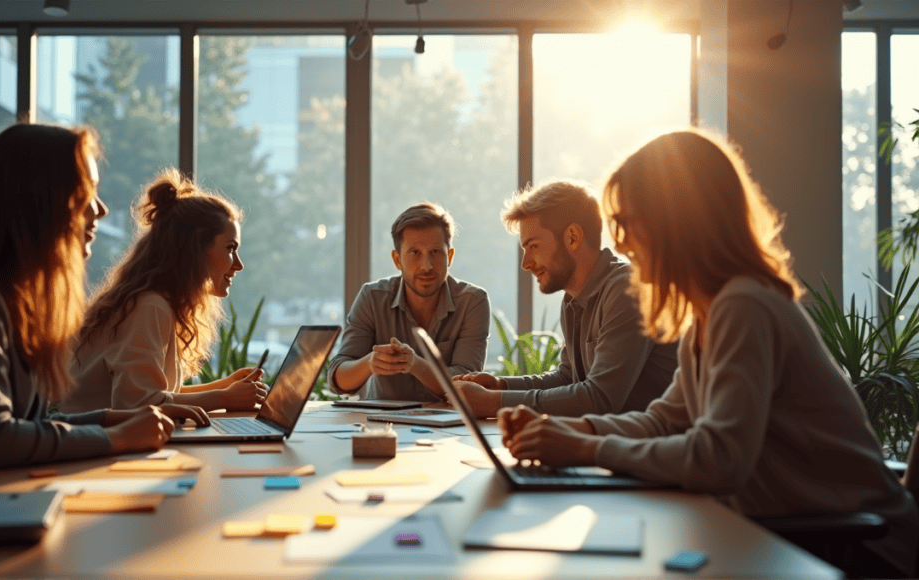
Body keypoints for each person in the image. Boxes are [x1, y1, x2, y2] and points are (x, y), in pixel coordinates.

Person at [498, 129, 919, 576]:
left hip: (856, 549)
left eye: (628, 222)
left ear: (675, 220)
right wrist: (566, 430)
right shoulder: (710, 312)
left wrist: (584, 448)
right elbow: (664, 421)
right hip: (793, 533)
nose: (619, 243)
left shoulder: (744, 307)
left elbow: (718, 458)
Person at [0, 124, 208, 492]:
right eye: (86, 193)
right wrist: (117, 439)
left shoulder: (11, 301)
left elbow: (26, 427)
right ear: (41, 200)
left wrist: (116, 420)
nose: (101, 209)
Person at [453, 181, 677, 418]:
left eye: (534, 246)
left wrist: (494, 402)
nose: (526, 263)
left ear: (572, 237)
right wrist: (501, 386)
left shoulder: (626, 290)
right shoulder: (572, 300)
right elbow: (567, 377)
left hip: (651, 446)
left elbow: (600, 398)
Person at [58, 169, 267, 414]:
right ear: (196, 250)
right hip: (98, 447)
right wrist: (224, 398)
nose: (238, 264)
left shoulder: (154, 301)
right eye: (230, 248)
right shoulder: (150, 306)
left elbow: (151, 394)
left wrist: (224, 388)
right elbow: (138, 403)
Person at [327, 202, 490, 401]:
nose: (426, 266)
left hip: (448, 428)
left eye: (436, 252)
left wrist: (417, 365)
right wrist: (370, 363)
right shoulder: (372, 298)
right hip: (384, 426)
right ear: (397, 260)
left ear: (450, 256)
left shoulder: (472, 302)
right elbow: (337, 378)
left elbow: (467, 385)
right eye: (415, 253)